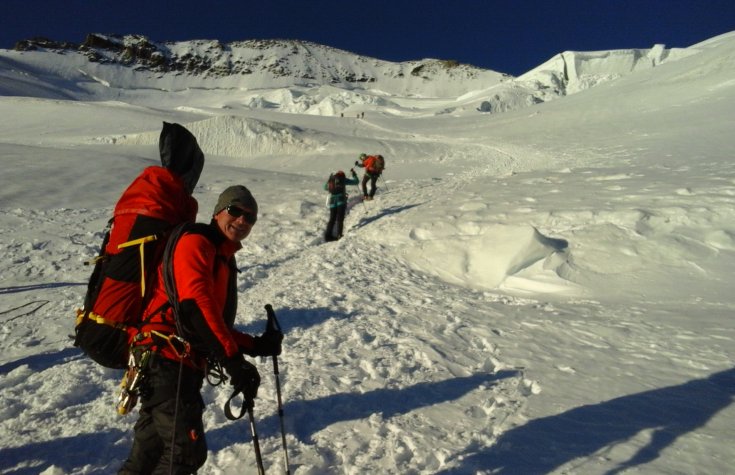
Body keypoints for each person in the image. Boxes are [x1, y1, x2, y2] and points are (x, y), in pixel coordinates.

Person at [119, 185, 283, 475]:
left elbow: (209, 323)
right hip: (167, 361)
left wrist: (257, 346)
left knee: (150, 453)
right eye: (236, 211)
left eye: (251, 217)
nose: (243, 221)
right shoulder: (197, 242)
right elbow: (195, 306)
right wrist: (234, 362)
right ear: (218, 212)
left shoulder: (221, 255)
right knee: (184, 454)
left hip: (170, 361)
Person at [324, 169, 359, 242]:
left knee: (332, 219)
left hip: (332, 201)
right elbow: (356, 182)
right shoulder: (343, 179)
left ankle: (328, 236)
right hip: (341, 200)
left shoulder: (332, 179)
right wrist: (354, 175)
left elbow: (325, 188)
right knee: (340, 219)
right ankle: (339, 234)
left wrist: (329, 180)